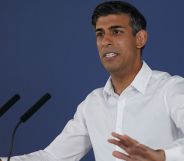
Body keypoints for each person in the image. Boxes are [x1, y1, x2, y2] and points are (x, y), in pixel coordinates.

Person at [1, 1, 184, 161]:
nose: (106, 41)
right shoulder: (93, 103)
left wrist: (162, 157)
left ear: (140, 38)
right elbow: (53, 157)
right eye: (100, 34)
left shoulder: (170, 89)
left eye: (116, 32)